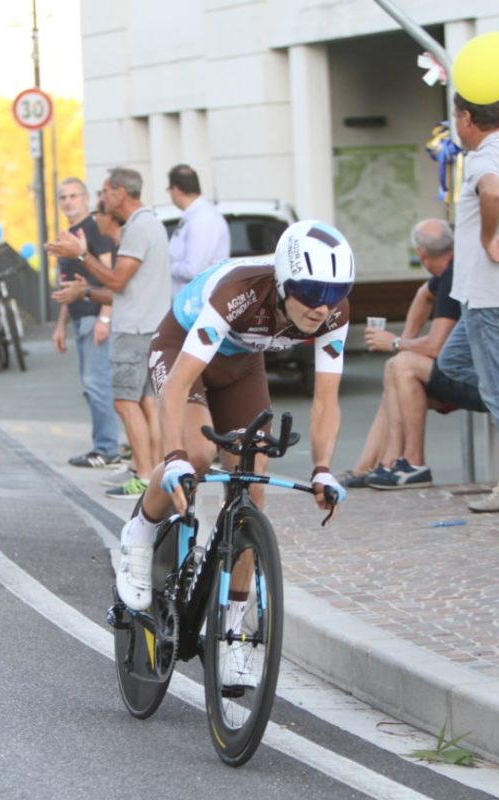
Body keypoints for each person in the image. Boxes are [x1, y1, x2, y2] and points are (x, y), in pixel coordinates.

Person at [116, 220, 354, 684]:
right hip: (181, 351)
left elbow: (327, 399)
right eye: (309, 290)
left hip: (243, 367)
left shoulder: (333, 312)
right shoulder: (240, 291)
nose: (321, 305)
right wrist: (178, 455)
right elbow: (180, 383)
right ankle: (140, 534)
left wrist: (324, 469)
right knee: (200, 458)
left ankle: (232, 634)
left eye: (334, 292)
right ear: (285, 281)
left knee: (251, 499)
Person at [341, 219, 499, 489]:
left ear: (420, 253)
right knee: (396, 371)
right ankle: (375, 466)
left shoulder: (453, 276)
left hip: (479, 377)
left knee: (402, 367)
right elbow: (423, 294)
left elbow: (436, 347)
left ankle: (412, 463)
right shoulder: (450, 271)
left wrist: (398, 342)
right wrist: (408, 340)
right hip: (474, 371)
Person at [437, 93, 499, 513]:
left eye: (455, 119)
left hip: (490, 295)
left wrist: (487, 239)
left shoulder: (482, 158)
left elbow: (492, 193)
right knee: (451, 363)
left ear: (466, 117)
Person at [47, 166, 172, 500]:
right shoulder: (150, 224)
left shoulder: (139, 228)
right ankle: (153, 473)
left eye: (104, 191)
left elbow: (116, 281)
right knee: (146, 403)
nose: (101, 198)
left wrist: (80, 255)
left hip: (134, 330)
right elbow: (123, 291)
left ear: (121, 192)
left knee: (125, 402)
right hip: (151, 326)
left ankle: (144, 477)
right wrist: (85, 292)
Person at [46, 177, 122, 469]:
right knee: (90, 385)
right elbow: (68, 286)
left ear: (86, 198)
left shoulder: (94, 229)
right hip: (78, 317)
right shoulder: (67, 235)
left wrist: (105, 316)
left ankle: (107, 449)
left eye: (74, 196)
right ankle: (103, 445)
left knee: (97, 383)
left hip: (96, 316)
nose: (68, 202)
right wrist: (60, 325)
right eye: (63, 197)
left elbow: (110, 274)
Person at [166, 164, 230, 295]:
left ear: (176, 189)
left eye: (169, 189)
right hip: (190, 302)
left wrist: (165, 267)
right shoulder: (194, 215)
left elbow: (192, 269)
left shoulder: (202, 218)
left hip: (198, 303)